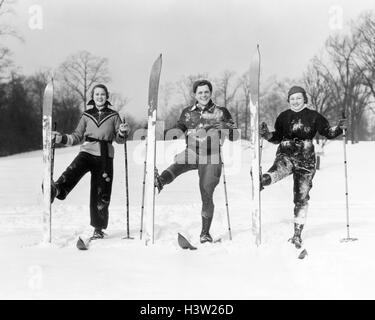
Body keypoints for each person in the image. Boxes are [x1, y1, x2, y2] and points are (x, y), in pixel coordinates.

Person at [259, 85, 346, 248]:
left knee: (301, 197)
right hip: (286, 153)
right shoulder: (283, 116)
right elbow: (277, 137)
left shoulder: (314, 116)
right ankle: (262, 180)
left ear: (304, 99)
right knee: (277, 171)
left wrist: (340, 128)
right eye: (292, 98)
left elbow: (328, 132)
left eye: (298, 98)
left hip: (306, 159)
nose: (295, 101)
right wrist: (267, 135)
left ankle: (297, 234)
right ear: (288, 100)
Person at [154, 79, 238, 243]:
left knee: (206, 193)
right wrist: (158, 133)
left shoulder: (221, 112)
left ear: (210, 93)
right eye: (200, 92)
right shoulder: (187, 112)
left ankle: (205, 233)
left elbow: (235, 136)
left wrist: (225, 126)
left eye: (206, 92)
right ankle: (160, 182)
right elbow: (178, 130)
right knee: (178, 164)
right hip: (192, 151)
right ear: (195, 94)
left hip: (211, 155)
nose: (203, 95)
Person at [49, 84, 129, 240]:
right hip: (87, 151)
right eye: (97, 94)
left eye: (102, 94)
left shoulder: (113, 115)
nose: (100, 97)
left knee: (101, 192)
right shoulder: (86, 115)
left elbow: (120, 140)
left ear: (107, 96)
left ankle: (98, 229)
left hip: (105, 156)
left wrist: (122, 131)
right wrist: (60, 138)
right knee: (73, 170)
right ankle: (56, 190)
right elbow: (76, 136)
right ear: (93, 96)